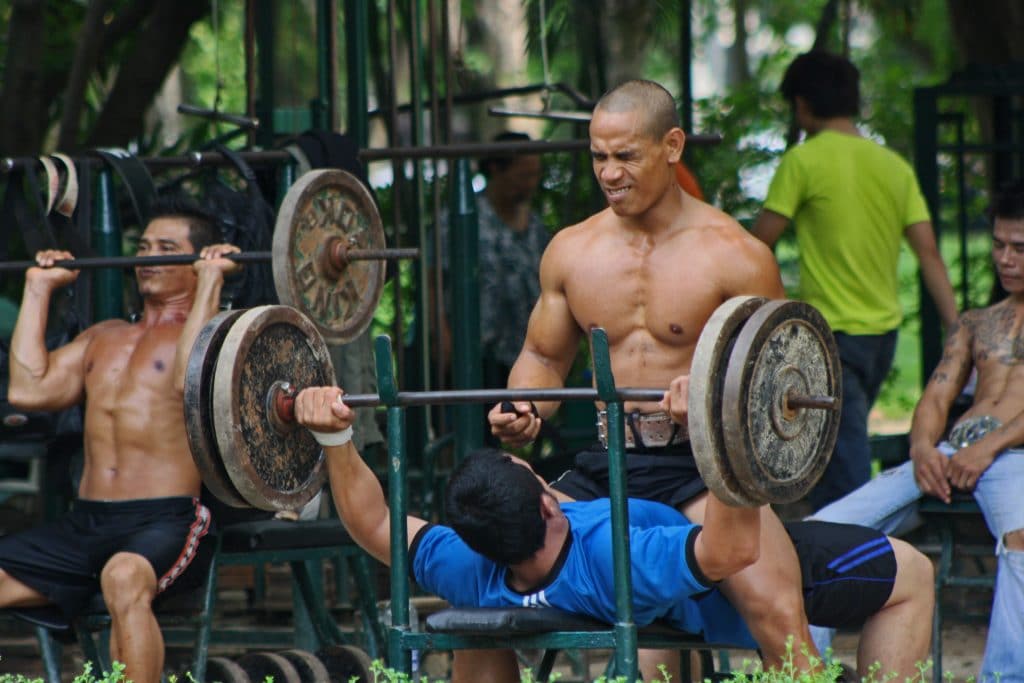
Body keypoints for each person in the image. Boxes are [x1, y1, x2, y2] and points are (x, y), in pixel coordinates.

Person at [485, 78, 821, 678]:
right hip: (607, 463)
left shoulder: (735, 254)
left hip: (705, 471)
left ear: (671, 145)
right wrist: (526, 406)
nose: (609, 173)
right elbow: (544, 355)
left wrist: (715, 399)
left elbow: (780, 384)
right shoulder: (571, 251)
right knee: (486, 580)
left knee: (779, 618)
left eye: (626, 156)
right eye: (598, 157)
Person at [293, 385, 933, 681]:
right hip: (706, 601)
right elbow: (735, 549)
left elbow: (373, 521)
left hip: (666, 606)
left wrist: (333, 436)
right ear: (551, 507)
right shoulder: (614, 555)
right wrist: (719, 437)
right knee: (910, 571)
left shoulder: (465, 563)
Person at [1, 197, 239, 683]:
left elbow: (187, 384)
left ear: (195, 262)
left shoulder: (215, 339)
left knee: (123, 577)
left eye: (166, 248)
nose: (147, 257)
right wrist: (38, 289)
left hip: (164, 519)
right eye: (143, 246)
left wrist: (212, 281)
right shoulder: (102, 337)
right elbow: (28, 389)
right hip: (86, 522)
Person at [809, 181, 1024, 683]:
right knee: (823, 529)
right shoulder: (978, 322)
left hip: (1012, 456)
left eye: (1020, 248)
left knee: (1021, 539)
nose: (1005, 259)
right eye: (998, 245)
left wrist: (988, 448)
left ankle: (1004, 677)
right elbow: (936, 395)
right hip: (954, 452)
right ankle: (807, 669)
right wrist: (923, 447)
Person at [750, 50, 958, 510]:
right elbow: (930, 257)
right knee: (834, 455)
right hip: (883, 337)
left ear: (802, 105)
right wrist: (959, 332)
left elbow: (757, 245)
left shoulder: (802, 163)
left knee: (843, 473)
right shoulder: (893, 167)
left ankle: (866, 564)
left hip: (833, 341)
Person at [436, 131, 549, 388]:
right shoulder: (459, 219)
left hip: (528, 353)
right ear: (496, 169)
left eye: (534, 175)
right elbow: (434, 282)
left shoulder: (536, 227)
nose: (531, 183)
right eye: (523, 175)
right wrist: (442, 336)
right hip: (475, 353)